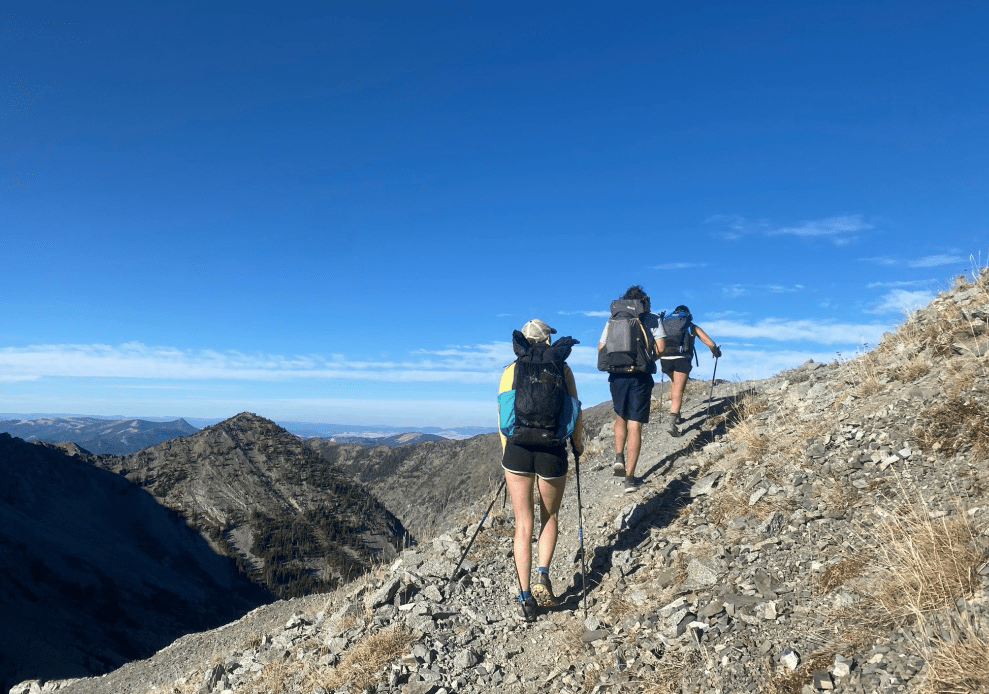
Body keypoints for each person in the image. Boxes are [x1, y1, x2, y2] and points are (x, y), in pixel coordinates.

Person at [498, 319, 584, 622]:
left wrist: (507, 451)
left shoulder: (511, 369)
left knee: (523, 524)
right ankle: (543, 575)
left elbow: (505, 418)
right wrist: (577, 446)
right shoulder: (562, 367)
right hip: (552, 451)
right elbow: (573, 412)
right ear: (548, 340)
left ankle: (525, 598)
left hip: (518, 452)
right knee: (550, 516)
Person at [597, 286, 665, 493]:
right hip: (639, 375)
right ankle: (629, 478)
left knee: (620, 416)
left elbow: (601, 347)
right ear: (644, 301)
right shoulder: (652, 318)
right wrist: (647, 357)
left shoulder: (614, 318)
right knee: (635, 424)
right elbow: (661, 348)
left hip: (616, 375)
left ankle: (618, 455)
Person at [659, 305, 721, 437]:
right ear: (687, 314)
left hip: (665, 358)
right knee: (678, 391)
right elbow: (709, 343)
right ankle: (672, 423)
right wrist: (716, 352)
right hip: (682, 359)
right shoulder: (690, 325)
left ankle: (678, 415)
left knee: (674, 383)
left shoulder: (666, 323)